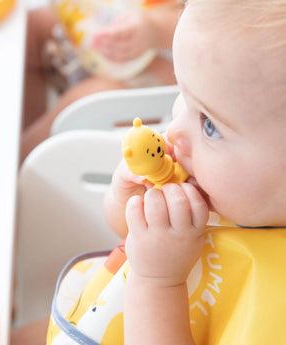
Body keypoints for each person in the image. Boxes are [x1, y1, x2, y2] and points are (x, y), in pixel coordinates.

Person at [103, 0, 286, 344]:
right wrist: (127, 200)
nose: (173, 132)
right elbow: (128, 237)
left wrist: (158, 279)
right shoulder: (220, 186)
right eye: (182, 95)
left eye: (210, 125)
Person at [20, 0, 184, 163]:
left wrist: (155, 28)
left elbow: (202, 18)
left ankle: (16, 159)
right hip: (96, 21)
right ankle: (21, 124)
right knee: (27, 26)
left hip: (155, 61)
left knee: (80, 101)